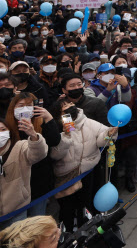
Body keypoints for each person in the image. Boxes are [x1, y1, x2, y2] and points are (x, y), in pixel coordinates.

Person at [49, 98, 118, 232]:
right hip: (66, 174)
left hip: (87, 171)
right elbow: (55, 155)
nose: (68, 107)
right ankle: (67, 234)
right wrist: (66, 135)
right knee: (66, 207)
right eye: (64, 106)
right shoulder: (55, 128)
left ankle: (85, 231)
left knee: (85, 204)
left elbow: (100, 140)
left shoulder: (89, 123)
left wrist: (108, 134)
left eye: (70, 103)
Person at [0, 116, 48, 230]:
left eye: (2, 129)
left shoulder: (19, 147)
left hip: (17, 210)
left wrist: (33, 136)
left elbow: (39, 154)